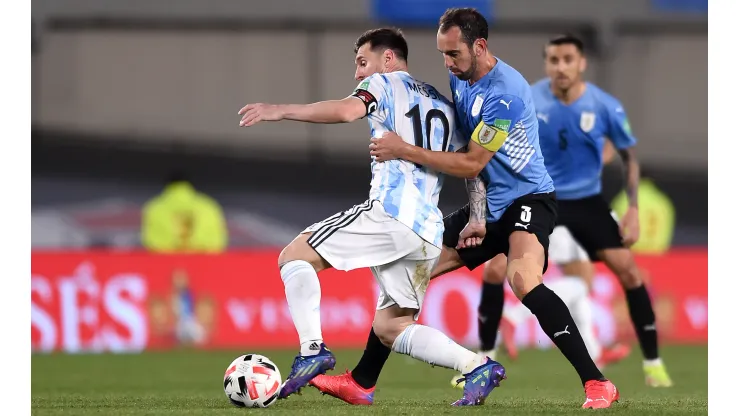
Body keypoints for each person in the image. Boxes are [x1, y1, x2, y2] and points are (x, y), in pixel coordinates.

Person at [310, 9, 619, 410]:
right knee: (410, 273)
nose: (447, 63)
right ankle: (361, 381)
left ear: (480, 46)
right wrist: (475, 216)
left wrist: (402, 149)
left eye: (453, 53)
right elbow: (472, 164)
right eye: (442, 54)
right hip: (489, 206)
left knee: (523, 279)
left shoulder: (503, 91)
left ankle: (597, 383)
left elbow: (472, 161)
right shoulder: (461, 81)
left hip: (528, 200)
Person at [237, 27, 506, 406]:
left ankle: (312, 349)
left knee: (294, 257)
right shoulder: (445, 106)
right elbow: (472, 168)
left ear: (389, 59)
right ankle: (476, 365)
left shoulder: (383, 85)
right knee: (392, 327)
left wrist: (280, 111)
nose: (359, 73)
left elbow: (347, 111)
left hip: (390, 214)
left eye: (363, 62)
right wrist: (476, 217)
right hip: (428, 231)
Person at [468, 34, 673, 388]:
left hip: (587, 203)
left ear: (581, 64)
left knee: (628, 273)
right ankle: (486, 354)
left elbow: (627, 155)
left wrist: (634, 208)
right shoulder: (528, 97)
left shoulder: (604, 105)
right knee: (494, 270)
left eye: (567, 60)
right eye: (553, 60)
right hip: (539, 198)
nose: (560, 67)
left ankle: (653, 363)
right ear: (547, 64)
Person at [141, 172, 228, 253]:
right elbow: (218, 241)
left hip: (166, 263)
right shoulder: (208, 205)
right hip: (204, 262)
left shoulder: (155, 207)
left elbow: (151, 242)